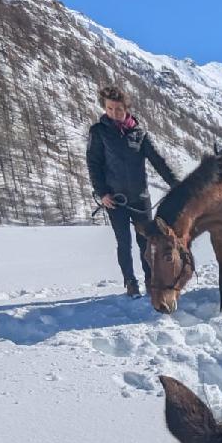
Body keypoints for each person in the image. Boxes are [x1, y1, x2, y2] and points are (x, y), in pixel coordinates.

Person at [86, 85, 179, 297]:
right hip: (115, 200)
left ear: (126, 109)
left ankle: (150, 279)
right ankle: (130, 282)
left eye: (118, 109)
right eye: (110, 109)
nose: (114, 113)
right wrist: (102, 193)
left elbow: (159, 161)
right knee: (124, 242)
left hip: (140, 198)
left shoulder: (139, 134)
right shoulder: (98, 132)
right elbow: (93, 164)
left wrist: (176, 184)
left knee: (146, 242)